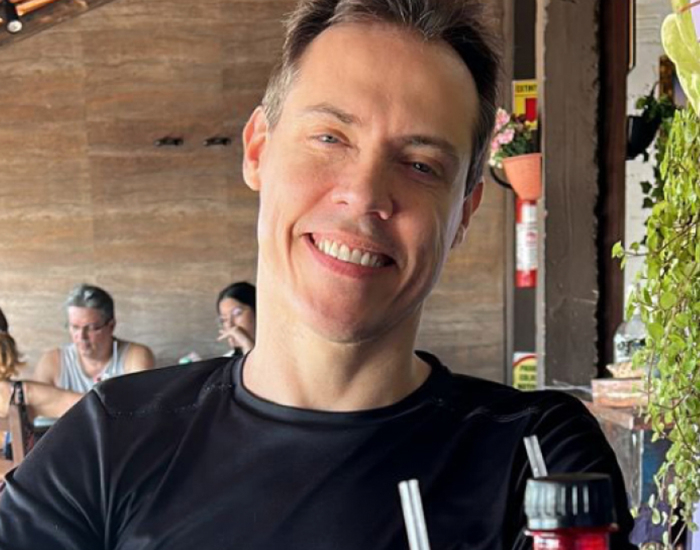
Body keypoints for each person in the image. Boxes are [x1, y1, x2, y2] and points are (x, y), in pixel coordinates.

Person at [0, 1, 635, 549]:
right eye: (330, 138)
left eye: (420, 165)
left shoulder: (536, 456)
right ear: (258, 150)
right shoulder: (110, 439)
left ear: (464, 213)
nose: (364, 195)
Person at [0, 284, 155, 421]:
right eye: (75, 327)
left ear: (111, 326)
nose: (81, 336)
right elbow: (37, 418)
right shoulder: (52, 361)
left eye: (91, 328)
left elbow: (140, 412)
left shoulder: (135, 356)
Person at [216, 281, 257, 356]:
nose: (230, 325)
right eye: (224, 319)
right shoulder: (227, 359)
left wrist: (247, 344)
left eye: (237, 313)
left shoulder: (278, 350)